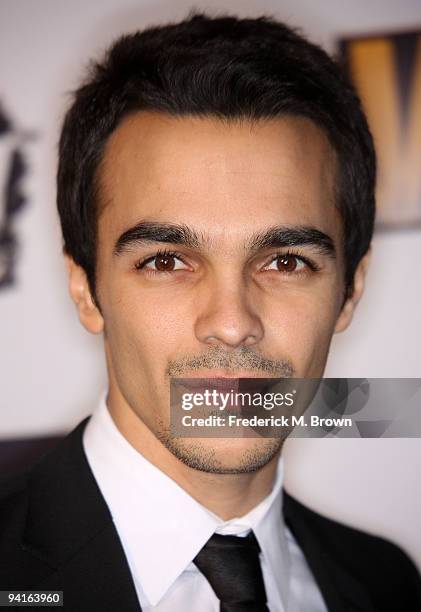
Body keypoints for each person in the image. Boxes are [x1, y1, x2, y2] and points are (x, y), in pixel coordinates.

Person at [1, 11, 420, 612]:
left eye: (286, 262)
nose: (230, 322)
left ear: (350, 290)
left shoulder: (385, 583)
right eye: (167, 262)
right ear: (85, 288)